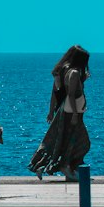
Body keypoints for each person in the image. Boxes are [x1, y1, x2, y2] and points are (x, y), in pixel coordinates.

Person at [29, 44, 91, 181]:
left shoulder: (61, 71)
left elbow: (55, 93)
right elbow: (71, 94)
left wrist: (51, 111)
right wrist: (75, 114)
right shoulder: (73, 73)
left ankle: (44, 166)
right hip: (72, 112)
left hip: (65, 110)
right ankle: (66, 167)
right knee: (80, 142)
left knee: (60, 141)